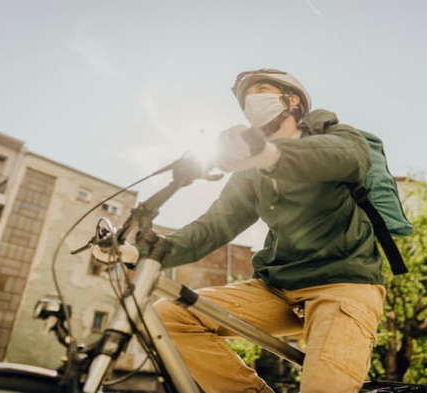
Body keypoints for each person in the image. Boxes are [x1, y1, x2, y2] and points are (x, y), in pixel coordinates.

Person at [155, 68, 385, 393]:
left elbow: (350, 158)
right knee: (171, 313)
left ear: (291, 100)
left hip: (343, 285)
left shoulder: (334, 136)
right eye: (246, 100)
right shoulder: (251, 170)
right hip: (278, 289)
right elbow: (216, 224)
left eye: (260, 90)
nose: (251, 101)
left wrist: (272, 154)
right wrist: (156, 250)